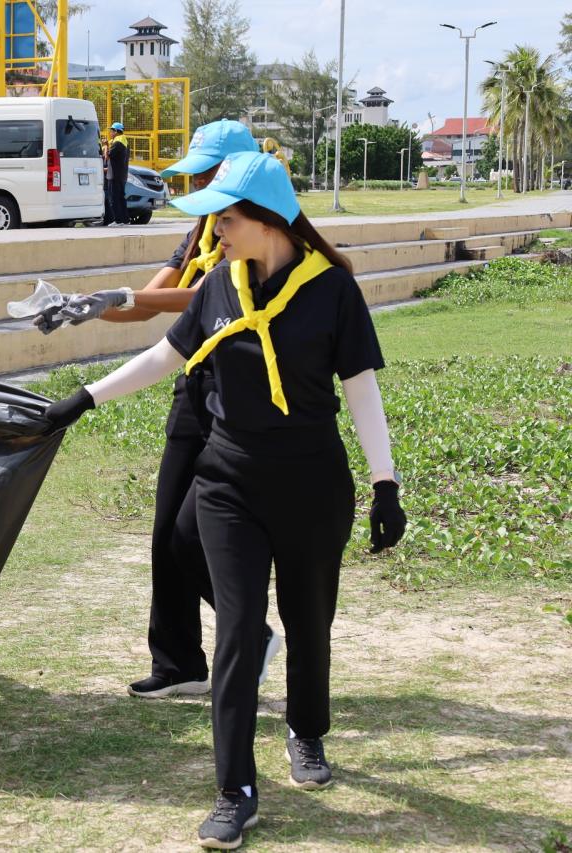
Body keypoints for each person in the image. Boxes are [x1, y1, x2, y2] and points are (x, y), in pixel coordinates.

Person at [44, 151, 407, 849]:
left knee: (309, 622)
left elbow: (361, 386)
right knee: (237, 628)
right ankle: (234, 789)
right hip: (228, 482)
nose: (216, 231)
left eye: (226, 218)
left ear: (266, 220)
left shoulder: (331, 289)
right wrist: (82, 399)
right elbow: (163, 357)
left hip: (311, 484)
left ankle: (306, 731)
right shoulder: (218, 284)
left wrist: (385, 482)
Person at [39, 120, 275, 703]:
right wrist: (87, 308)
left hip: (240, 398)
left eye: (205, 171)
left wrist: (125, 297)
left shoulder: (256, 232)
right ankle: (178, 663)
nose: (194, 182)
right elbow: (151, 301)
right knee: (164, 533)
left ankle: (249, 630)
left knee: (191, 537)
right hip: (191, 388)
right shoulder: (200, 229)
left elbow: (208, 296)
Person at [102, 122, 129, 226]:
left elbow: (108, 156)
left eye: (112, 130)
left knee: (114, 197)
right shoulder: (124, 141)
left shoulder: (117, 143)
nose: (110, 132)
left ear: (117, 132)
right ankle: (125, 220)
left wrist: (106, 146)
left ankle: (118, 220)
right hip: (121, 174)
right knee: (121, 197)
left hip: (114, 174)